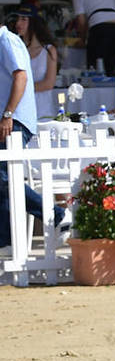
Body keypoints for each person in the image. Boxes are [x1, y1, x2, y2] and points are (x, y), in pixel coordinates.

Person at [1, 19, 66, 257]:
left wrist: (8, 114)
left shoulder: (6, 40)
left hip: (14, 119)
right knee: (4, 179)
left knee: (5, 177)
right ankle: (6, 241)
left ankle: (55, 214)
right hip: (10, 118)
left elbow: (21, 77)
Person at [13, 3, 58, 97]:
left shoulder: (49, 50)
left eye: (23, 19)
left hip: (43, 107)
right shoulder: (16, 49)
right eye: (17, 19)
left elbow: (49, 83)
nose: (18, 23)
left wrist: (19, 88)